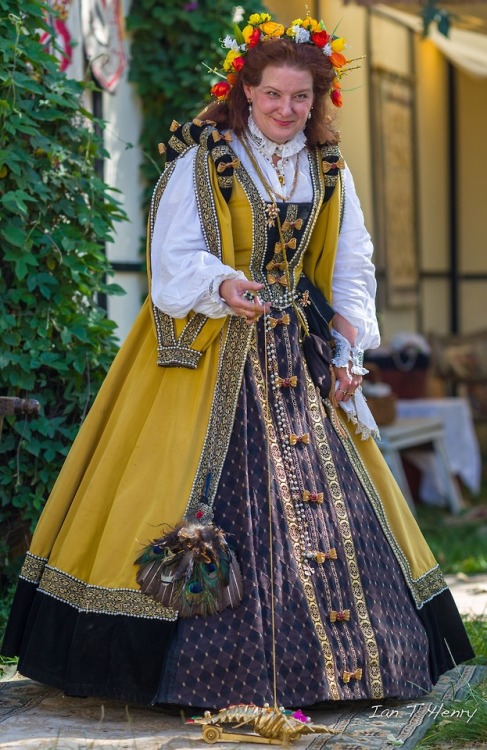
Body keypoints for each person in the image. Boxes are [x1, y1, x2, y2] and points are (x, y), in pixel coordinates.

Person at [2, 12, 473, 711]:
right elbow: (173, 262)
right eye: (274, 94)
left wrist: (348, 349)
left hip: (296, 353)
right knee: (210, 490)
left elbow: (350, 267)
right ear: (246, 91)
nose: (287, 109)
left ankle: (354, 666)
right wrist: (224, 284)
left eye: (300, 97)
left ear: (318, 101)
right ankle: (202, 673)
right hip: (205, 354)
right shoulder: (206, 160)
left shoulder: (327, 170)